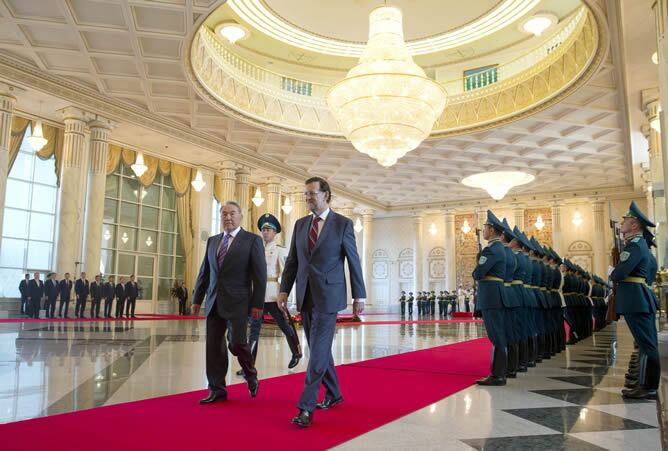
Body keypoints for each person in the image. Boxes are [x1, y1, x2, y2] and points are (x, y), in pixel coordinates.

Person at [277, 176, 366, 428]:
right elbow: (293, 260)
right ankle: (334, 394)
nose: (308, 198)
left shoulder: (342, 224)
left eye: (312, 193)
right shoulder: (300, 224)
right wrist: (284, 290)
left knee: (316, 353)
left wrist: (359, 295)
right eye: (306, 194)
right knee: (320, 349)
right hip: (304, 295)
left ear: (325, 194)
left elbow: (353, 260)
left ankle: (306, 407)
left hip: (329, 297)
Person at [192, 200, 266, 404]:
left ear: (240, 216)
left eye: (232, 213)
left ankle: (250, 374)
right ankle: (217, 389)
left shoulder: (252, 240)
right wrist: (197, 299)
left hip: (239, 302)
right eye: (224, 214)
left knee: (236, 343)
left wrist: (257, 304)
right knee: (214, 347)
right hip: (214, 301)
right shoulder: (213, 241)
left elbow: (260, 275)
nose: (228, 217)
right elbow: (204, 273)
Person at [239, 213, 302, 376]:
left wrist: (284, 294)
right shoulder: (255, 248)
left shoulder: (280, 251)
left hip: (274, 295)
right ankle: (248, 366)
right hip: (257, 296)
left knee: (284, 325)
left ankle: (296, 352)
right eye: (264, 229)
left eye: (269, 229)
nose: (265, 232)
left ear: (275, 233)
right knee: (253, 330)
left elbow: (287, 273)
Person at [611, 201, 661, 400]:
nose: (622, 222)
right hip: (639, 297)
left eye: (626, 219)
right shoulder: (639, 245)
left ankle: (648, 386)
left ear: (635, 225)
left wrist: (613, 273)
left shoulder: (635, 246)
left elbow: (619, 273)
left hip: (636, 299)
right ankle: (645, 383)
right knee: (645, 343)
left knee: (647, 344)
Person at [472, 210, 508, 386]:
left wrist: (478, 261)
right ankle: (498, 372)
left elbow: (478, 273)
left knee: (496, 336)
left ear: (492, 230)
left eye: (485, 227)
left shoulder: (492, 250)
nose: (483, 231)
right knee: (498, 334)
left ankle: (498, 374)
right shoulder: (499, 249)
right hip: (495, 294)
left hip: (491, 296)